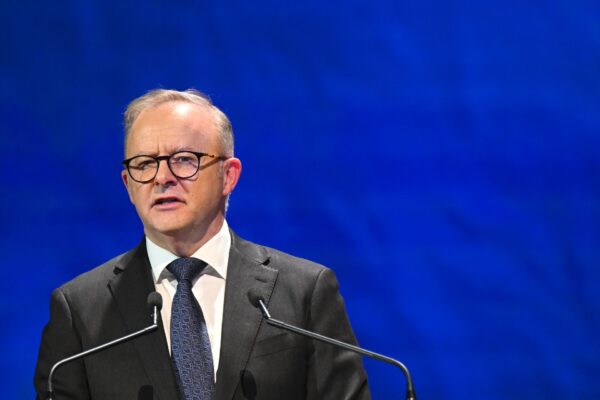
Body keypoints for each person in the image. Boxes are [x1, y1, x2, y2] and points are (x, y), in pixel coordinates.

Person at [34, 89, 370, 400]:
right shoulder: (79, 311)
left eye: (183, 159)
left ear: (229, 176)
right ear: (128, 185)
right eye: (144, 164)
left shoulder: (303, 294)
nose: (162, 178)